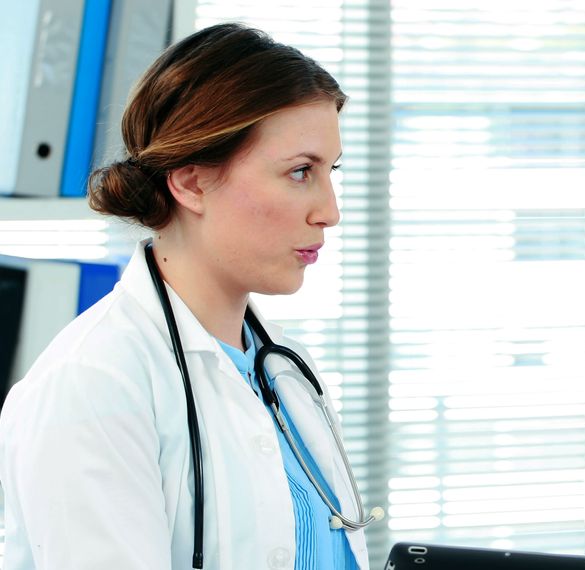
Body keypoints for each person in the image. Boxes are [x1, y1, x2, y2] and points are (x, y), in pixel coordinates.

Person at [0, 23, 381, 569]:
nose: (330, 211)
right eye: (300, 172)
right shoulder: (90, 386)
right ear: (191, 183)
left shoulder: (285, 371)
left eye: (329, 172)